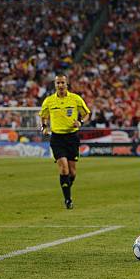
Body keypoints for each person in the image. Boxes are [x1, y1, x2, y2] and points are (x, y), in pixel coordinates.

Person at [39, 74, 90, 209]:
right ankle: (68, 200)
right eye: (58, 83)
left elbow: (86, 113)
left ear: (67, 84)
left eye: (62, 83)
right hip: (57, 138)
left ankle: (66, 188)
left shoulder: (75, 99)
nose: (60, 85)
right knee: (64, 168)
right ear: (55, 85)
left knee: (72, 172)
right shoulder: (49, 101)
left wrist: (80, 122)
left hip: (72, 138)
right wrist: (43, 127)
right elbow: (43, 116)